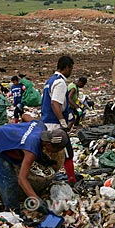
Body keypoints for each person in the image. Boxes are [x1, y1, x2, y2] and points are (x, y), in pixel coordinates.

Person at [0, 114, 69, 214]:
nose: (54, 152)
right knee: (8, 177)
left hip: (3, 133)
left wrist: (20, 135)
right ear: (48, 144)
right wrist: (36, 200)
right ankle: (12, 211)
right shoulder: (31, 149)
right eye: (55, 150)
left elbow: (25, 116)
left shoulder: (41, 126)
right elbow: (22, 179)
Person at [41, 56, 76, 184]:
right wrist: (63, 123)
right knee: (67, 152)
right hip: (55, 126)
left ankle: (47, 178)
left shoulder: (50, 81)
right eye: (70, 68)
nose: (71, 71)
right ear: (66, 67)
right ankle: (71, 179)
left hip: (45, 123)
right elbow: (55, 103)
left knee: (49, 153)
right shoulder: (60, 82)